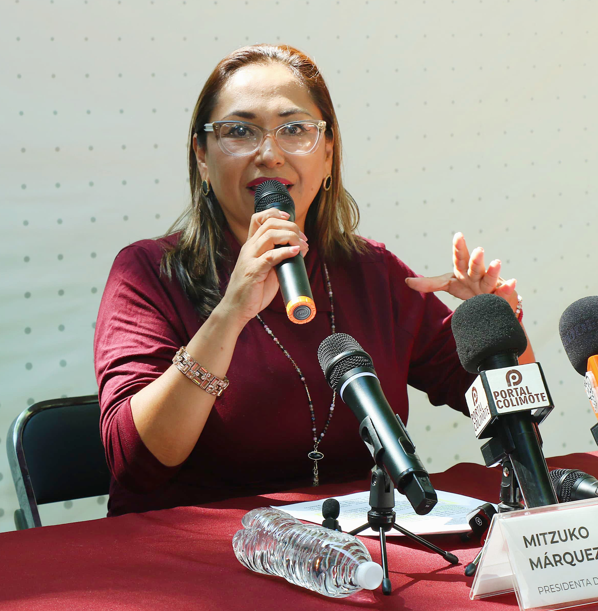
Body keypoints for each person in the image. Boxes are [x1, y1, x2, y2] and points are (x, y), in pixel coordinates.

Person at [93, 44, 534, 517]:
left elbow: (511, 412)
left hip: (349, 547)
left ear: (327, 153)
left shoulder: (373, 272)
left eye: (294, 129)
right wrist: (230, 312)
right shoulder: (147, 272)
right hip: (203, 552)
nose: (269, 154)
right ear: (202, 156)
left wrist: (499, 336)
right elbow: (135, 462)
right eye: (239, 131)